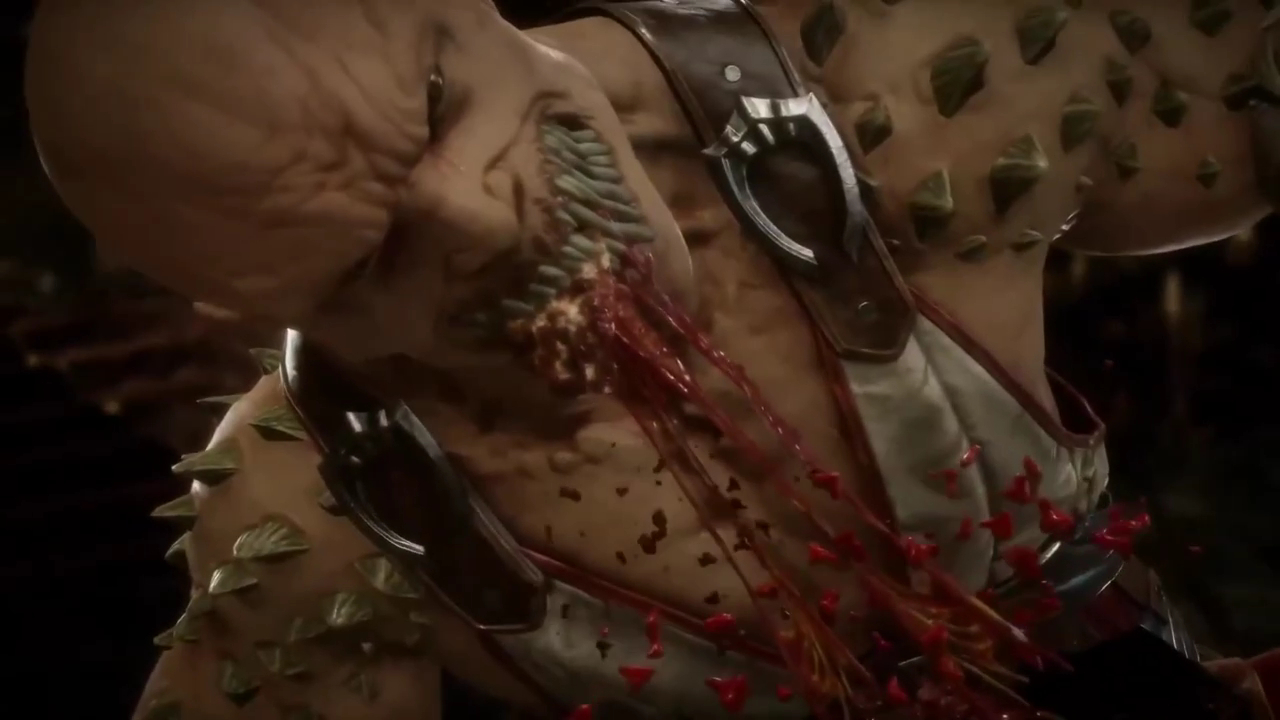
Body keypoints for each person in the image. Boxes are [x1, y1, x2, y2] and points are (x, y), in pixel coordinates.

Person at [23, 0, 1280, 717]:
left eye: (440, 115)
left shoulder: (896, 84)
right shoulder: (312, 509)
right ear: (250, 306)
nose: (486, 229)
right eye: (368, 263)